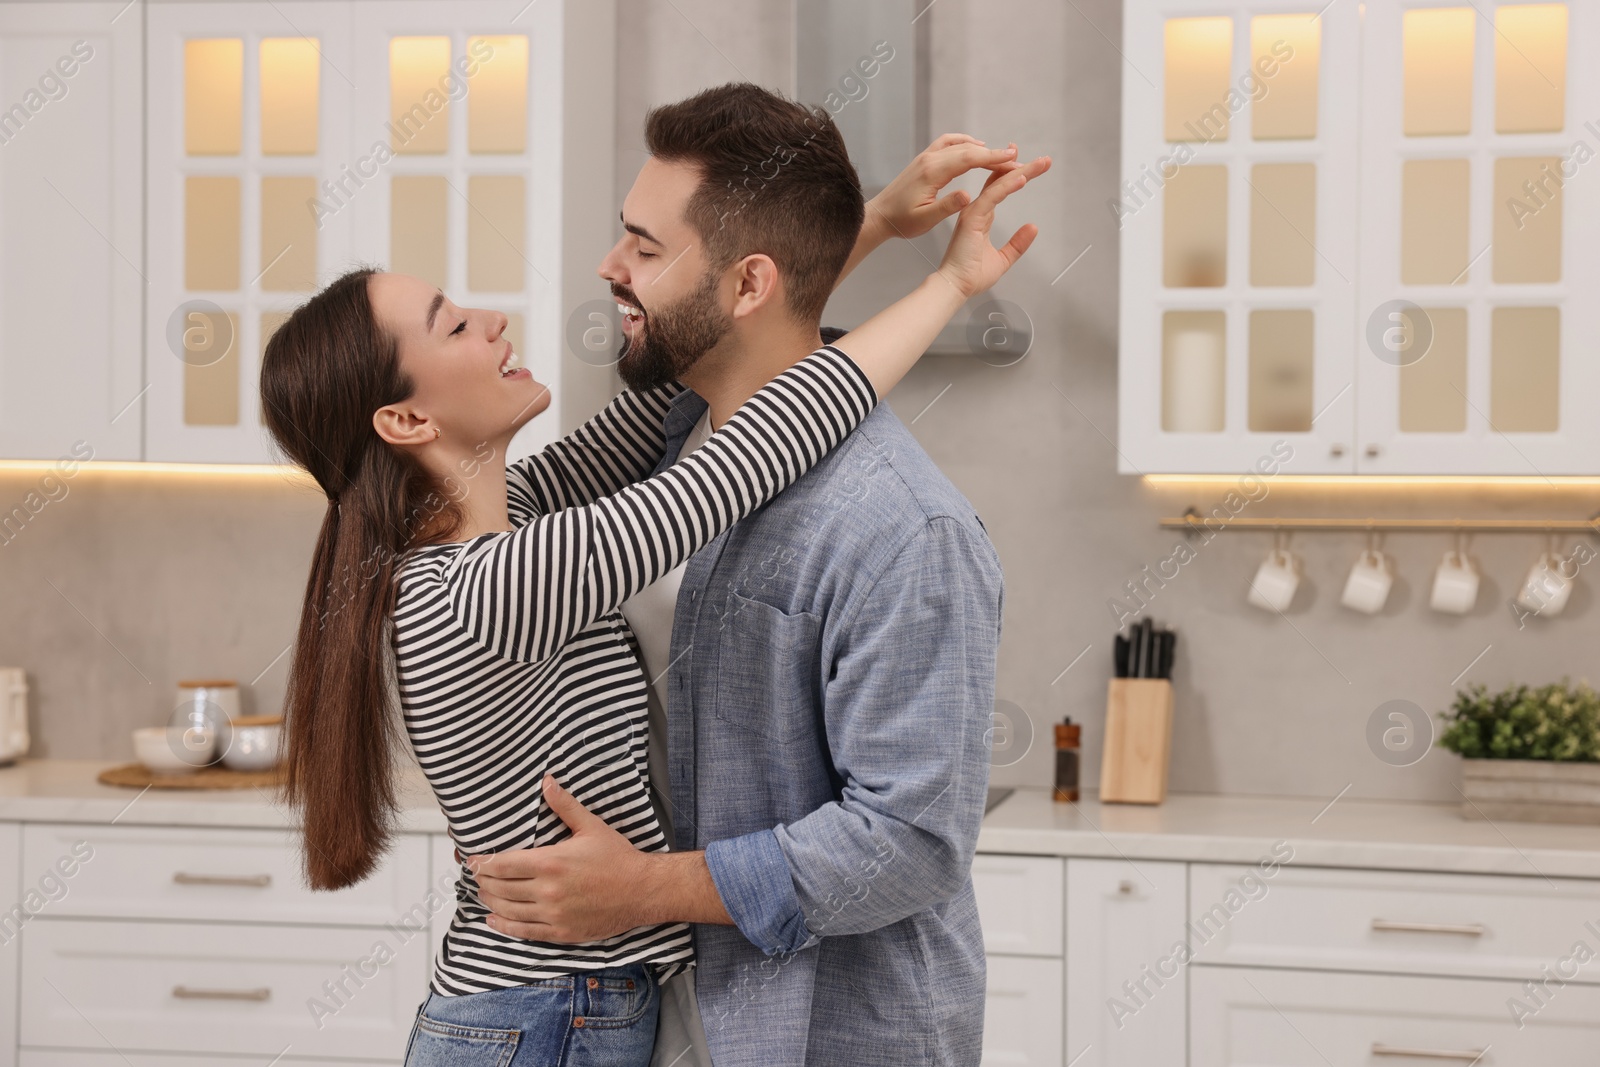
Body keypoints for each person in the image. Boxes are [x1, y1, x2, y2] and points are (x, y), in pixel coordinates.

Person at [258, 81, 1041, 1066]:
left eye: (641, 243)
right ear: (407, 421)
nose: (496, 317)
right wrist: (949, 283)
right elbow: (752, 438)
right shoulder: (491, 580)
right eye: (453, 327)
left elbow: (729, 332)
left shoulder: (534, 507)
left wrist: (866, 225)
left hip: (592, 1008)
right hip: (545, 1019)